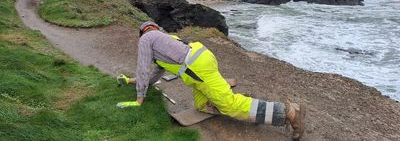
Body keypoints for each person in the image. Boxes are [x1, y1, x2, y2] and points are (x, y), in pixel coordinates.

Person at [116, 21, 305, 140]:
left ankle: (288, 112)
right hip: (202, 58)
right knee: (201, 105)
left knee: (229, 106)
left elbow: (142, 68)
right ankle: (230, 97)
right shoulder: (164, 39)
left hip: (197, 68)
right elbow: (153, 73)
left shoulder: (146, 39)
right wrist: (136, 82)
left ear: (142, 32)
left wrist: (139, 98)